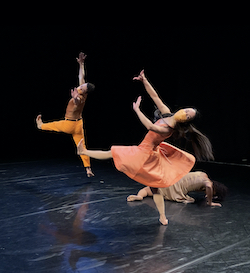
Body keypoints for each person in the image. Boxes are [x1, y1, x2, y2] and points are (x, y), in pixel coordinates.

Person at [77, 70, 214, 225]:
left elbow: (150, 126)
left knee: (114, 153)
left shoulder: (169, 129)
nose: (185, 112)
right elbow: (155, 97)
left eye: (188, 115)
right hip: (149, 151)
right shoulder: (167, 114)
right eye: (186, 110)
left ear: (185, 121)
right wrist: (144, 80)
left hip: (146, 153)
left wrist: (137, 110)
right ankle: (162, 216)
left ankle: (162, 216)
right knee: (151, 185)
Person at [36, 52, 95, 177]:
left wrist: (74, 98)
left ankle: (40, 126)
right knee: (82, 146)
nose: (82, 85)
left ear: (84, 91)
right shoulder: (83, 91)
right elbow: (82, 76)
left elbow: (77, 102)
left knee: (54, 125)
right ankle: (88, 168)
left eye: (83, 86)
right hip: (79, 124)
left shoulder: (80, 97)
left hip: (69, 124)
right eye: (83, 84)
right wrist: (81, 64)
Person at [127, 171, 228, 207]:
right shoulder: (208, 183)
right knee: (190, 199)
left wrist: (208, 194)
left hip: (171, 180)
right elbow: (209, 186)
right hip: (175, 189)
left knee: (148, 190)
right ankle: (139, 196)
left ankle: (139, 196)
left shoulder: (203, 174)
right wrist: (210, 202)